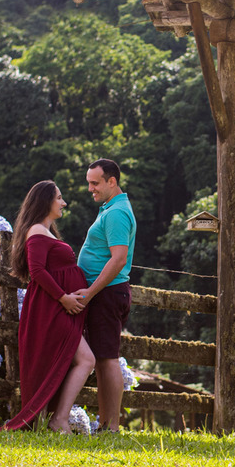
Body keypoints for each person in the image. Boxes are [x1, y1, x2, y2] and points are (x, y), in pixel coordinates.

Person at [4, 181, 97, 433]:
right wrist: (63, 298)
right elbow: (37, 271)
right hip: (51, 308)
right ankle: (58, 420)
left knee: (80, 360)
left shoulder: (44, 231)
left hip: (56, 308)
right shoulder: (35, 230)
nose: (63, 202)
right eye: (59, 198)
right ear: (45, 201)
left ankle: (56, 420)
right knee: (86, 359)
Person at [72, 158, 136, 433]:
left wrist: (89, 291)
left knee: (108, 359)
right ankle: (105, 424)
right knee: (101, 358)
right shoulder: (110, 208)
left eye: (95, 183)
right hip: (105, 294)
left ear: (112, 181)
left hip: (107, 294)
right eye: (89, 183)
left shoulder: (117, 213)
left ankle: (111, 427)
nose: (90, 189)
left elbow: (118, 259)